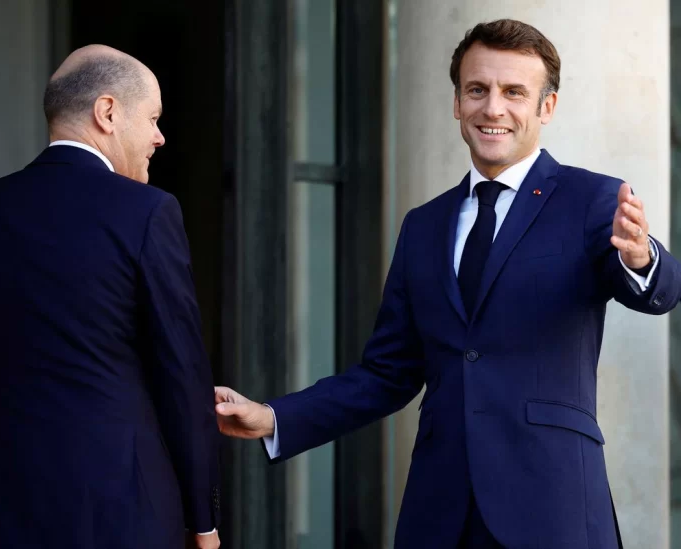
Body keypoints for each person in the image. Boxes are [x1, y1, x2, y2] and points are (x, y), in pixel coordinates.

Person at [214, 19, 681, 549]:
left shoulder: (591, 200)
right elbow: (386, 374)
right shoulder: (425, 225)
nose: (493, 108)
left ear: (546, 107)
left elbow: (660, 289)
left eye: (514, 93)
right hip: (439, 513)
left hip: (553, 509)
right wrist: (274, 417)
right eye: (477, 90)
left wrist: (642, 258)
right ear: (457, 102)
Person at [0, 45, 221, 549]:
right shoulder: (148, 211)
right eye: (154, 118)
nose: (160, 138)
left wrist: (17, 402)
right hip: (120, 511)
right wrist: (202, 521)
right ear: (108, 112)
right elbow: (181, 374)